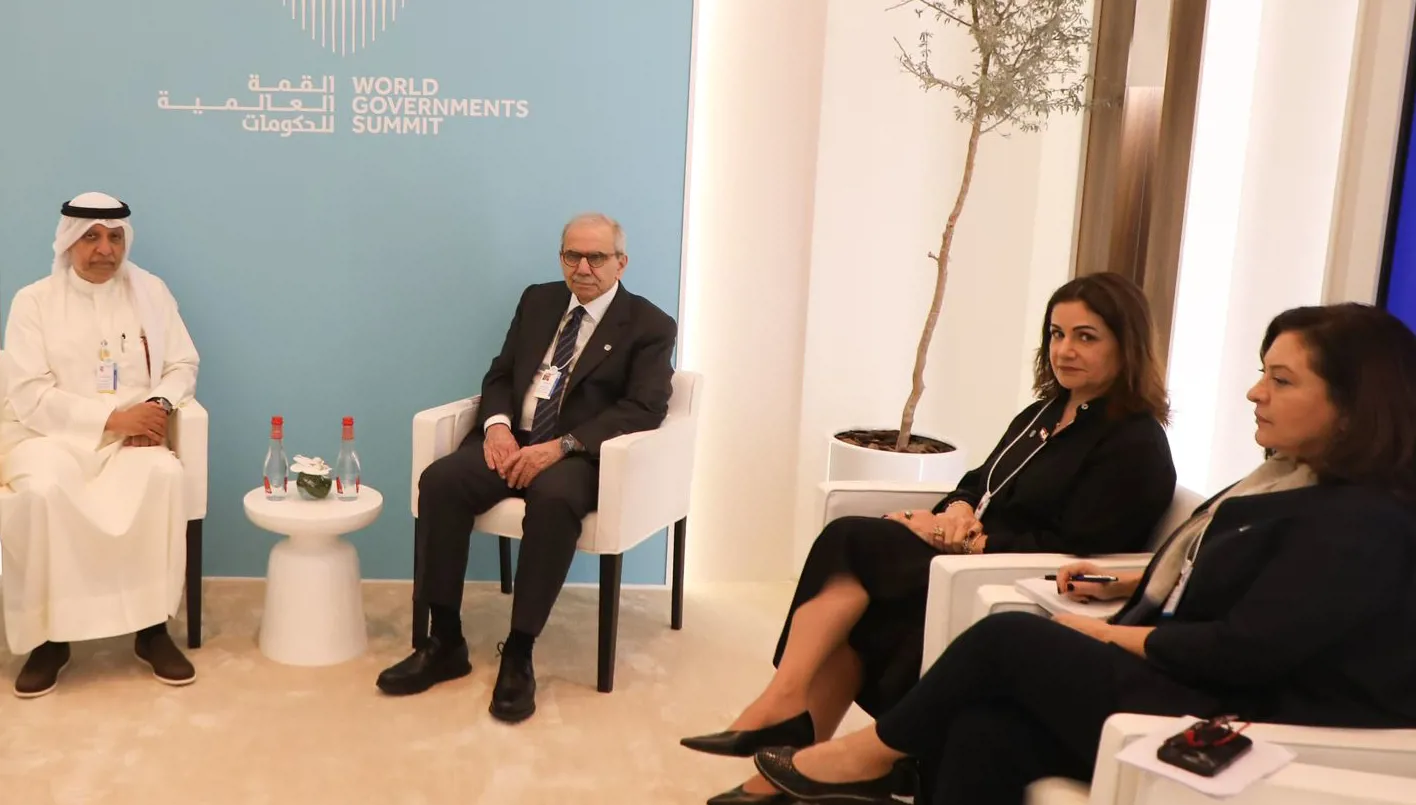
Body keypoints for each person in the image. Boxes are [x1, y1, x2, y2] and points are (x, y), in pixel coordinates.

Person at [748, 302, 1416, 805]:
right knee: (984, 726)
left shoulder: (1365, 520)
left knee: (1008, 639)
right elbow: (1240, 578)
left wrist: (1103, 634)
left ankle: (863, 757)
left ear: (1353, 405)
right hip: (1204, 678)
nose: (1255, 392)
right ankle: (861, 752)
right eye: (1261, 373)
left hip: (1249, 714)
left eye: (1282, 380)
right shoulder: (1287, 482)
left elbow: (1247, 649)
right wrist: (1125, 581)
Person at [680, 272, 1177, 804]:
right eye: (1056, 334)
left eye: (1086, 336)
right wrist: (956, 510)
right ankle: (791, 749)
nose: (1065, 350)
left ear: (1126, 345)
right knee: (855, 576)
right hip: (960, 558)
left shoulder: (1135, 444)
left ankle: (785, 720)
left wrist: (960, 541)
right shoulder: (1044, 412)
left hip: (1002, 581)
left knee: (853, 543)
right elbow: (978, 483)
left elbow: (1077, 547)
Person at [376, 212, 677, 723]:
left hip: (576, 452)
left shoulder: (650, 325)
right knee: (441, 482)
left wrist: (563, 446)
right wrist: (496, 426)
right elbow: (500, 375)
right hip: (510, 441)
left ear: (621, 263)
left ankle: (519, 651)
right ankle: (444, 641)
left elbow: (644, 409)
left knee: (554, 501)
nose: (583, 268)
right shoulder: (538, 301)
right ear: (561, 257)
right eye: (572, 255)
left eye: (596, 257)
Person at [1, 192, 201, 697]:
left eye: (114, 237)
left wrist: (156, 407)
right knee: (42, 493)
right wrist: (113, 418)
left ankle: (151, 630)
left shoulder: (150, 294)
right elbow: (29, 393)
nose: (105, 249)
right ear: (68, 241)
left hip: (129, 442)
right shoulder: (33, 302)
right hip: (50, 439)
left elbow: (182, 365)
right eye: (90, 237)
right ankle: (50, 639)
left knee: (163, 475)